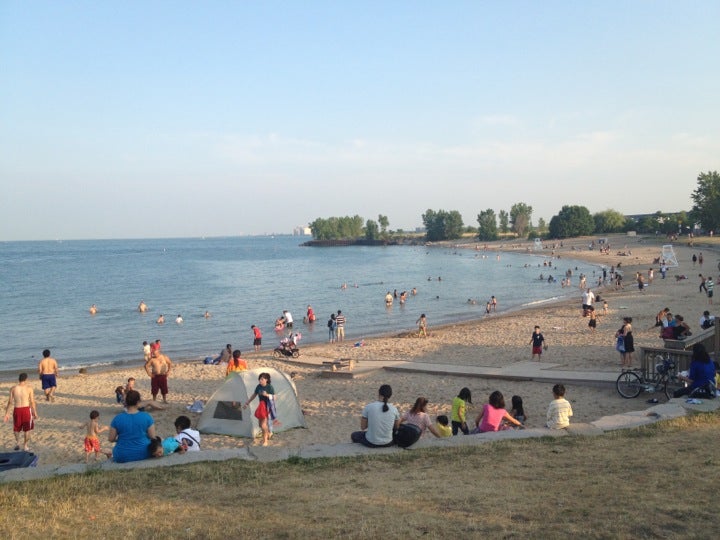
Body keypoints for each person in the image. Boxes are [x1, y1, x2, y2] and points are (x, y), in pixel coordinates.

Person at [108, 389, 156, 463]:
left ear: (126, 402)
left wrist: (119, 440)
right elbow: (152, 436)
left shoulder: (117, 418)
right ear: (138, 402)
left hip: (122, 455)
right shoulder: (146, 417)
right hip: (144, 452)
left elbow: (111, 439)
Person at [3, 373, 38, 451]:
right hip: (26, 409)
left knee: (16, 428)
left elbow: (10, 402)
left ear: (19, 379)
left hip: (17, 409)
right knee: (27, 429)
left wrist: (6, 414)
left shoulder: (13, 388)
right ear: (26, 379)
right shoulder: (29, 388)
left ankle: (18, 443)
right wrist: (35, 412)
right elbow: (32, 401)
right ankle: (25, 445)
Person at [243, 372, 276, 446]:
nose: (260, 381)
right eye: (259, 379)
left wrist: (266, 395)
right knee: (260, 425)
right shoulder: (258, 386)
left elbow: (275, 397)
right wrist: (247, 403)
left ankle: (265, 441)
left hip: (267, 406)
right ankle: (268, 433)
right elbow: (254, 395)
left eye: (262, 379)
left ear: (266, 380)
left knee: (263, 424)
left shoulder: (269, 387)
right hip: (261, 405)